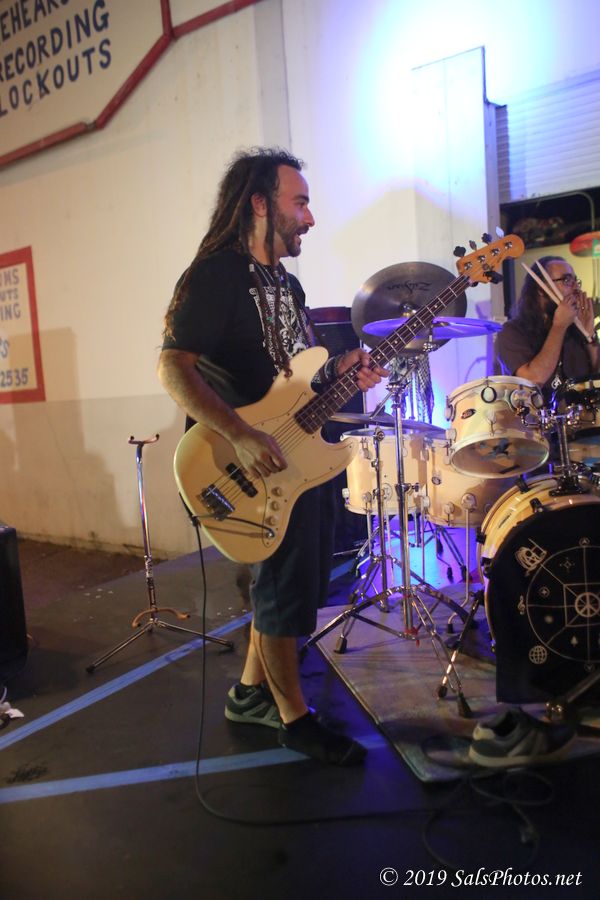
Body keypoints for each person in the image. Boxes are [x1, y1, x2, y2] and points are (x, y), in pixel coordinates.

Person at [157, 147, 388, 766]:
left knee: (291, 586)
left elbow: (294, 377)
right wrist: (238, 433)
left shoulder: (289, 284)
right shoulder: (214, 275)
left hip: (294, 453)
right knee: (282, 587)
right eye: (300, 202)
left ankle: (249, 693)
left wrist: (343, 370)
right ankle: (295, 720)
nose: (310, 217)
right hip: (242, 461)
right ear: (259, 203)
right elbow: (173, 368)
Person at [496, 255, 599, 403]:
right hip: (537, 417)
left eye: (576, 281)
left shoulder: (575, 329)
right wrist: (559, 327)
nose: (576, 288)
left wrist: (590, 336)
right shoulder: (512, 331)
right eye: (566, 280)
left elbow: (596, 380)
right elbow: (532, 381)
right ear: (541, 289)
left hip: (583, 415)